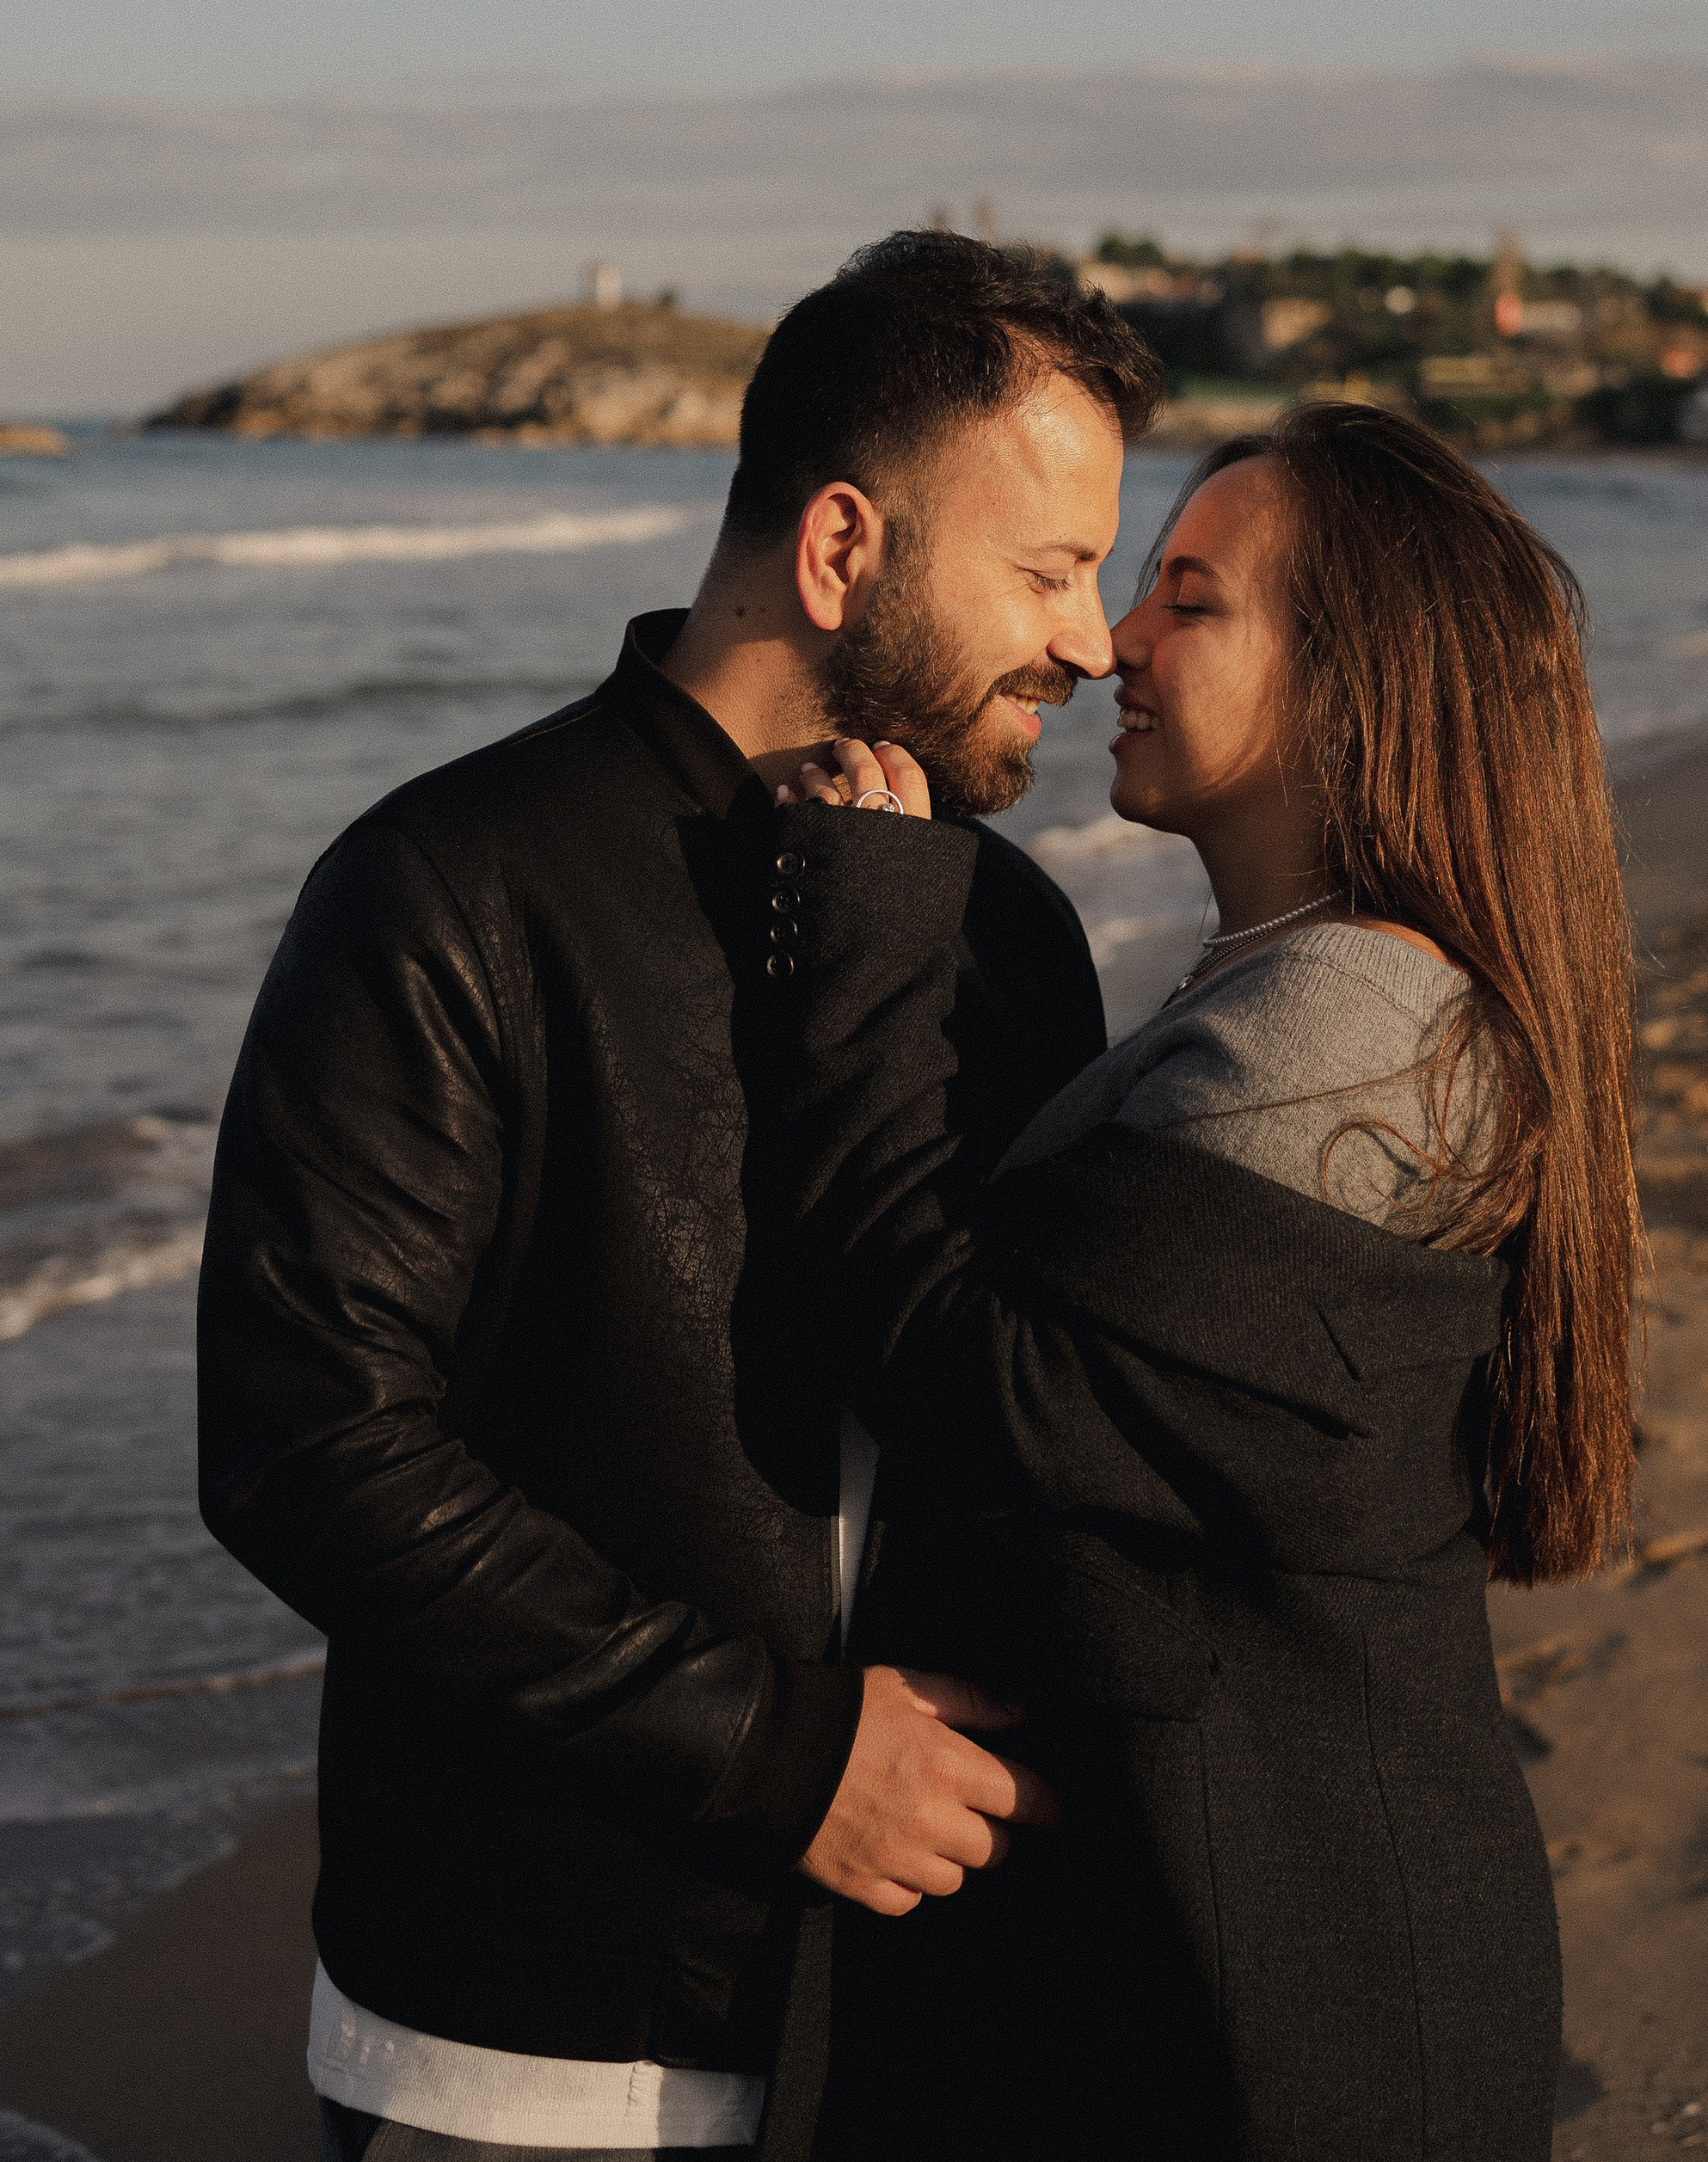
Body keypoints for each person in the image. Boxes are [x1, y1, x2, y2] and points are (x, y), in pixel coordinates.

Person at [194, 232, 1165, 2162]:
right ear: (837, 550)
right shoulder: (449, 885)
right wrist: (777, 1747)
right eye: (1048, 569)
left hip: (922, 2016)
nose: (1094, 639)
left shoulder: (1011, 936)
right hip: (537, 2029)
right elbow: (305, 1438)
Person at [756, 401, 1643, 2162]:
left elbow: (964, 1375)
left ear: (1355, 674)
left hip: (1280, 1997)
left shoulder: (1349, 1033)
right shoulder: (1289, 999)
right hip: (1242, 1936)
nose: (1107, 644)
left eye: (1188, 595)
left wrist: (864, 929)